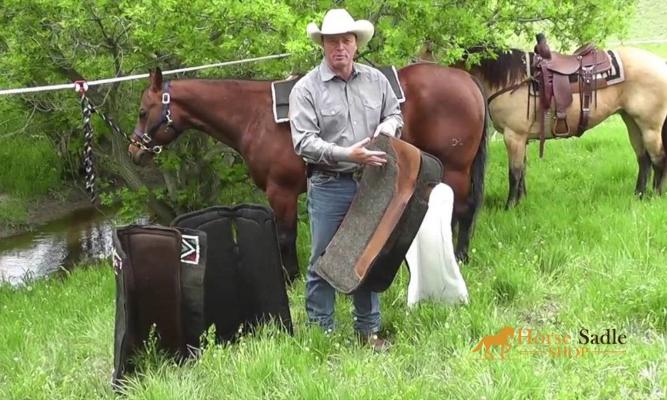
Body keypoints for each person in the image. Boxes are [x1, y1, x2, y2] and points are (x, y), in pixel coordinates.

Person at [288, 8, 403, 351]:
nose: (340, 47)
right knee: (324, 258)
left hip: (371, 182)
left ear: (356, 44)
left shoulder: (376, 81)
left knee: (367, 254)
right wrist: (346, 154)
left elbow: (394, 112)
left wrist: (389, 127)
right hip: (328, 184)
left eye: (346, 40)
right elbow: (303, 142)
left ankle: (368, 331)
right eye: (333, 41)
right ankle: (320, 333)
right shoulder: (306, 89)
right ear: (322, 45)